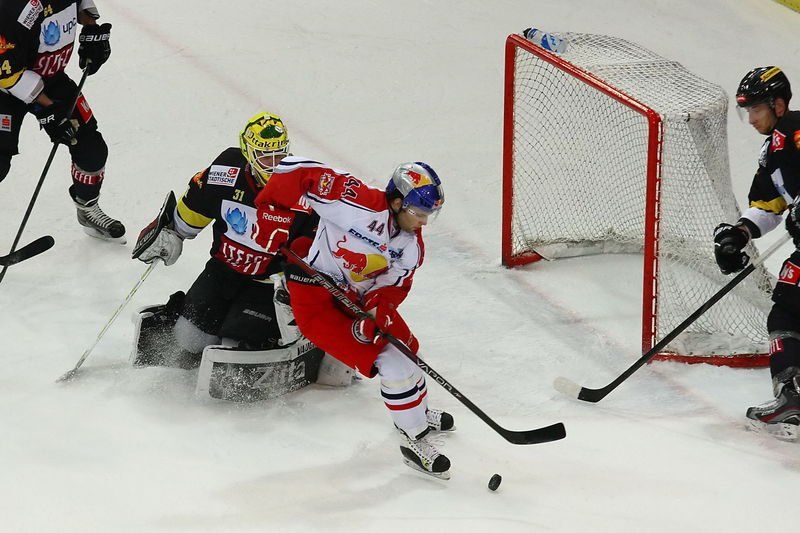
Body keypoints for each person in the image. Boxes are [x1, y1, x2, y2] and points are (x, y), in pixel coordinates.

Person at [254, 156, 455, 478]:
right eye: (418, 213)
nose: (423, 223)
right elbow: (297, 169)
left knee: (407, 349)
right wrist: (273, 213)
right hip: (315, 298)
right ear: (397, 202)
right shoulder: (358, 203)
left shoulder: (410, 246)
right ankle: (413, 440)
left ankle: (417, 413)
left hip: (353, 301)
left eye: (427, 215)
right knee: (391, 363)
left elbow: (393, 286)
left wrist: (376, 312)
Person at [131, 111, 310, 366]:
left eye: (279, 155)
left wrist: (298, 286)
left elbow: (317, 248)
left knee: (233, 349)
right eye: (264, 156)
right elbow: (190, 214)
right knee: (189, 339)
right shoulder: (225, 171)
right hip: (223, 270)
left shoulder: (305, 186)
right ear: (248, 151)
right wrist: (172, 233)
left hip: (269, 284)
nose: (273, 165)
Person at [713, 66, 800, 438]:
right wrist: (739, 233)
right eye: (746, 111)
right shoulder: (774, 149)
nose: (750, 120)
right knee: (788, 309)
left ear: (778, 105)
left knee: (789, 308)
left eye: (756, 109)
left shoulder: (796, 130)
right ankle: (791, 395)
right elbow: (768, 205)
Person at [0, 0, 124, 241]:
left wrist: (91, 28)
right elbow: (6, 73)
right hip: (5, 89)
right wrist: (49, 110)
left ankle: (87, 208)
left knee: (91, 150)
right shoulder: (14, 8)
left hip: (50, 79)